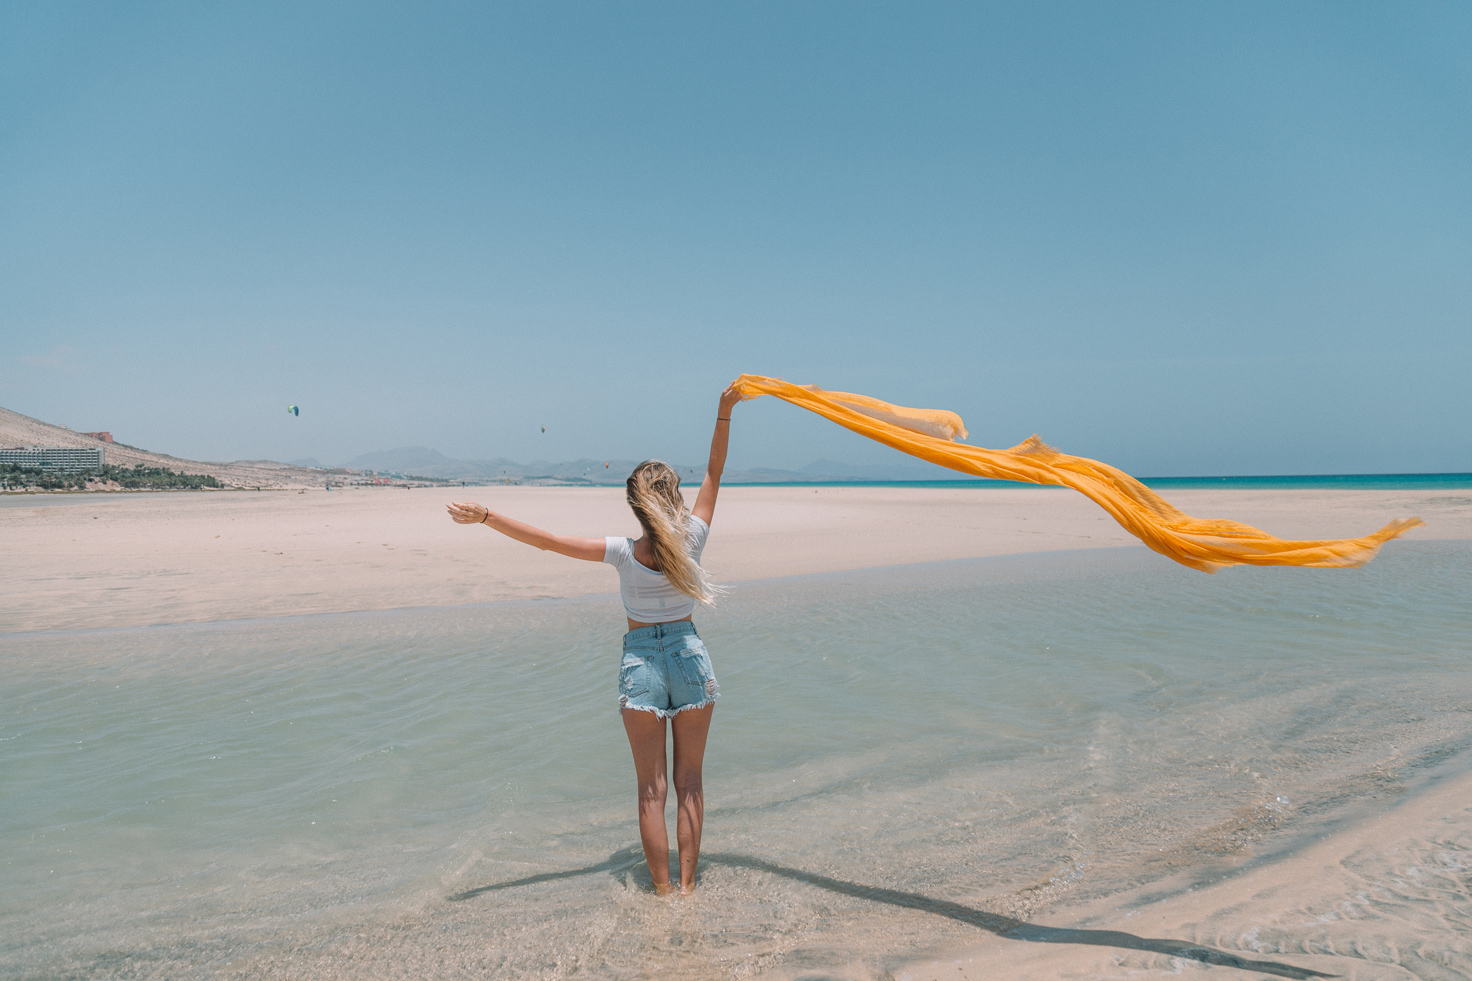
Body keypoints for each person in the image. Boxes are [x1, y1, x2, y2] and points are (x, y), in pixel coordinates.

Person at [447, 385, 741, 895]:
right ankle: (689, 891)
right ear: (674, 497)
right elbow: (715, 471)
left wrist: (488, 516)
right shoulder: (693, 537)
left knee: (652, 793)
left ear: (635, 506)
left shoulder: (622, 552)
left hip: (641, 664)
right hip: (691, 657)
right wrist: (723, 411)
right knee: (689, 783)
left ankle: (662, 896)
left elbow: (547, 541)